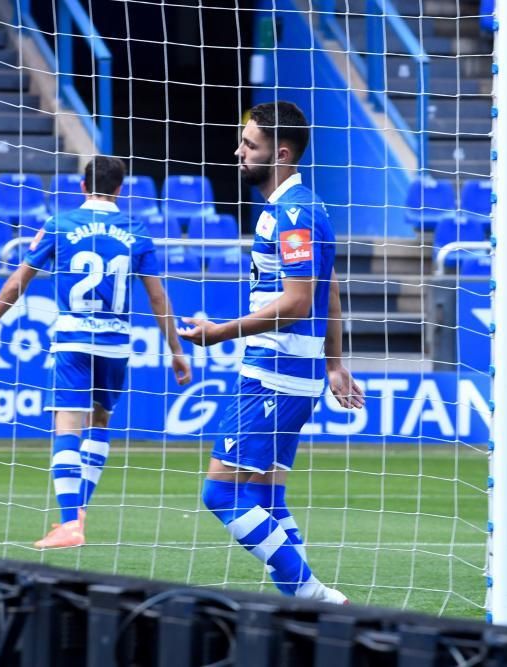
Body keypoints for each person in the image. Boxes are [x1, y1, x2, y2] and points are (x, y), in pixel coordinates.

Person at [178, 101, 364, 604]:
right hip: (295, 371)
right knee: (265, 494)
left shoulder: (292, 212)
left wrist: (220, 334)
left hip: (275, 373)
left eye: (249, 145)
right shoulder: (299, 207)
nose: (238, 152)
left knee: (221, 493)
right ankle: (301, 600)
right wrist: (334, 363)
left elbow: (302, 300)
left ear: (280, 154)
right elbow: (330, 288)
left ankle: (312, 595)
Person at [0, 156, 192, 549]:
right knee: (100, 422)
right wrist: (176, 348)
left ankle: (70, 521)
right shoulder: (136, 231)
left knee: (67, 427)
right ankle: (80, 508)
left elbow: (18, 281)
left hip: (72, 340)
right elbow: (157, 296)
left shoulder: (60, 225)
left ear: (83, 186)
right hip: (117, 344)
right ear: (121, 189)